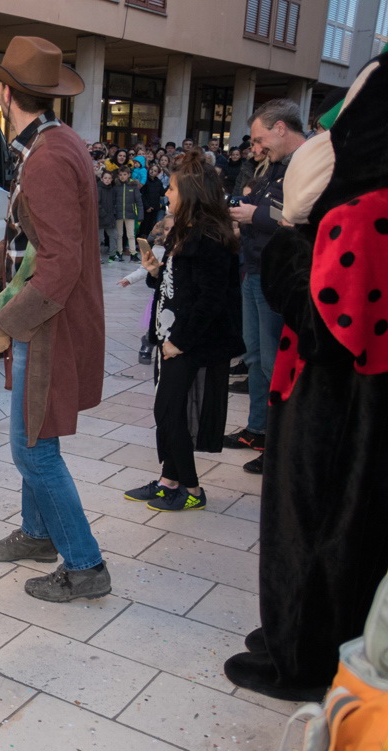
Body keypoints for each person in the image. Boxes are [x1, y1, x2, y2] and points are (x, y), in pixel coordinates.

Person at [225, 51, 388, 702]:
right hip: (353, 408)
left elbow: (326, 325)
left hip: (330, 407)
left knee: (312, 530)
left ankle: (302, 653)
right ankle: (299, 637)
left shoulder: (362, 208)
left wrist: (293, 241)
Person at [0, 36, 109, 603]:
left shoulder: (46, 158)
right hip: (43, 319)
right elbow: (31, 239)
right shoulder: (55, 142)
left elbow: (60, 264)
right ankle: (39, 533)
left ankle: (86, 564)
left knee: (32, 449)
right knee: (36, 438)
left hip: (47, 325)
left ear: (3, 93)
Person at [123, 151, 242, 512]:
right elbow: (179, 287)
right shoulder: (186, 230)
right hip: (172, 337)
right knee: (167, 411)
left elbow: (211, 300)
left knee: (170, 412)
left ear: (189, 192)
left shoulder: (209, 237)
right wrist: (157, 272)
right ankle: (168, 481)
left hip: (189, 341)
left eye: (172, 189)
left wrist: (179, 342)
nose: (167, 195)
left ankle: (191, 488)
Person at [225, 99, 308, 474]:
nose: (256, 148)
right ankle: (257, 429)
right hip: (254, 269)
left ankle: (279, 440)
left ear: (280, 128)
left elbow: (300, 218)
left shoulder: (306, 167)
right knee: (256, 358)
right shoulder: (274, 168)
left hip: (278, 277)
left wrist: (254, 214)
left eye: (260, 139)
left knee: (276, 363)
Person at [114, 167, 142, 261]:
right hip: (118, 214)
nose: (122, 177)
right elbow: (112, 200)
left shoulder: (133, 186)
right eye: (121, 175)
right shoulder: (116, 186)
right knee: (119, 235)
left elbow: (139, 201)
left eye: (125, 174)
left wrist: (140, 215)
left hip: (130, 214)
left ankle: (133, 253)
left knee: (131, 235)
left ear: (129, 175)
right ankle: (119, 252)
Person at [97, 169, 119, 259]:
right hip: (101, 218)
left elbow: (114, 203)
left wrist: (113, 212)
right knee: (100, 239)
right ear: (101, 179)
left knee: (114, 235)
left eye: (109, 178)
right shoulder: (99, 189)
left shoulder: (112, 190)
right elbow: (97, 204)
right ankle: (98, 257)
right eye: (105, 178)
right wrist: (103, 214)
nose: (107, 180)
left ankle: (112, 255)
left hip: (110, 218)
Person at [140, 162, 166, 235]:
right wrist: (147, 206)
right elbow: (142, 195)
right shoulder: (145, 180)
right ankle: (142, 240)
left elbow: (162, 193)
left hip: (155, 207)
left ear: (157, 173)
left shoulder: (158, 182)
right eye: (151, 169)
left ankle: (149, 241)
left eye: (155, 171)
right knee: (144, 225)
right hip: (147, 207)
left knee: (151, 225)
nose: (152, 172)